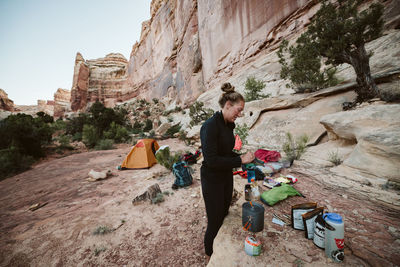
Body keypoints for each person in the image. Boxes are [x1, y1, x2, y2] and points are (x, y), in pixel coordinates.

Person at [200, 82, 255, 257]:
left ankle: (220, 250)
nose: (240, 114)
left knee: (224, 212)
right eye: (238, 110)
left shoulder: (228, 125)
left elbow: (225, 152)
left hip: (225, 176)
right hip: (212, 178)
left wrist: (242, 158)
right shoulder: (210, 126)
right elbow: (212, 159)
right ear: (228, 105)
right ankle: (210, 254)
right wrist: (239, 159)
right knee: (214, 220)